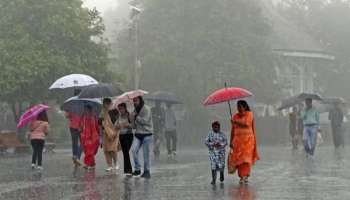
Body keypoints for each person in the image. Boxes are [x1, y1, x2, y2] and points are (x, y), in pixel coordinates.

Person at [228, 100, 259, 185]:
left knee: (246, 159)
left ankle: (245, 176)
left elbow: (247, 124)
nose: (238, 108)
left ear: (245, 107)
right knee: (239, 160)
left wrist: (235, 122)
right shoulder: (235, 117)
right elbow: (233, 130)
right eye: (237, 107)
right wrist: (231, 141)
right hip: (237, 142)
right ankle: (242, 176)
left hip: (248, 141)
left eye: (240, 107)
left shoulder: (250, 114)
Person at [131, 96, 154, 179]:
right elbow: (133, 126)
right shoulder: (134, 111)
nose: (134, 102)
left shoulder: (147, 109)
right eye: (133, 101)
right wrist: (132, 118)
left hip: (147, 134)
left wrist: (136, 117)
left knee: (145, 154)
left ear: (140, 100)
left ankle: (146, 171)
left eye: (136, 100)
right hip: (138, 134)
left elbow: (145, 121)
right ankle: (137, 169)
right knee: (133, 150)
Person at [101, 98, 120, 172]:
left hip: (114, 132)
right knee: (106, 150)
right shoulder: (102, 112)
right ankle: (109, 165)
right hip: (106, 132)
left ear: (109, 103)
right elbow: (100, 122)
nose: (105, 105)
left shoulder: (115, 110)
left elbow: (118, 119)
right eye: (104, 104)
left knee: (113, 149)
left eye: (106, 103)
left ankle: (116, 163)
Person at [80, 105, 100, 170]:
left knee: (89, 152)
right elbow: (82, 127)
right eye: (85, 110)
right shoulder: (84, 118)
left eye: (86, 110)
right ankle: (92, 164)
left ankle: (87, 164)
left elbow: (96, 127)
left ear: (89, 110)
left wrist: (99, 136)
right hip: (85, 137)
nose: (85, 111)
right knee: (87, 151)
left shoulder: (93, 118)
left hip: (92, 137)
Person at [116, 103, 134, 175]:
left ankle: (128, 170)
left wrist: (127, 125)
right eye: (119, 109)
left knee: (126, 152)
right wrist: (117, 126)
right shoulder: (118, 116)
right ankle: (127, 170)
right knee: (125, 153)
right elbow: (116, 126)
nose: (120, 110)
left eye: (122, 109)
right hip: (121, 136)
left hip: (129, 135)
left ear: (125, 108)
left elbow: (133, 125)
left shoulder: (129, 115)